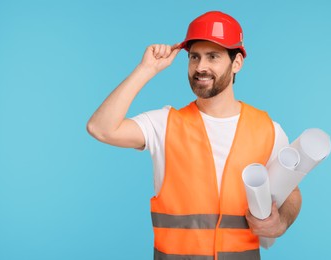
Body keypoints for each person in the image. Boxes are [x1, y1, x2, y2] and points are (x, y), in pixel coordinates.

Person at [87, 11, 302, 260]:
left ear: (237, 63)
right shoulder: (164, 124)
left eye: (213, 57)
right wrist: (146, 69)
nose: (200, 67)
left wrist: (281, 223)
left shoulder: (268, 129)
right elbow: (100, 128)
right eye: (194, 57)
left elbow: (292, 193)